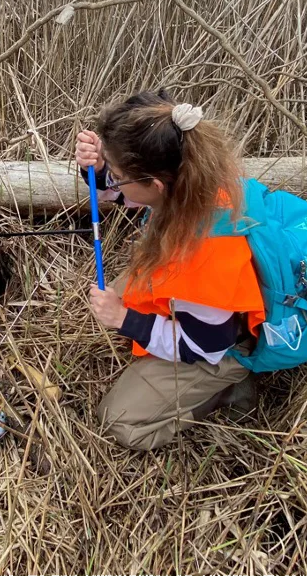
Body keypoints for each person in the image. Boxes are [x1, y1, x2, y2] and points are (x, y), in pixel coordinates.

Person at [75, 89, 265, 451]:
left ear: (156, 185)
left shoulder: (206, 254)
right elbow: (126, 194)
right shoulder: (188, 178)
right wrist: (100, 169)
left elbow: (204, 344)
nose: (111, 182)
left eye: (116, 174)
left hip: (222, 346)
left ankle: (227, 388)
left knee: (118, 421)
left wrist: (125, 320)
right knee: (126, 285)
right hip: (208, 313)